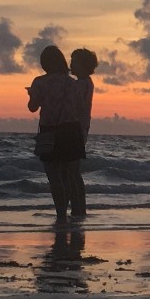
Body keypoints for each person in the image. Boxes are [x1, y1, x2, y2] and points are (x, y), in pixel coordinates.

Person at [26, 44, 82, 222]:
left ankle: (60, 215)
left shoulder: (39, 82)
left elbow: (32, 108)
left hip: (50, 130)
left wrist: (31, 95)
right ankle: (65, 215)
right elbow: (79, 108)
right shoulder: (73, 83)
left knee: (54, 177)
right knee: (67, 176)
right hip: (72, 131)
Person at [67, 47, 97, 219]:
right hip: (79, 128)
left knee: (73, 171)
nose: (71, 64)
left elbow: (72, 101)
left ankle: (78, 208)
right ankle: (78, 208)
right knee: (73, 171)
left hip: (76, 129)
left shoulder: (82, 84)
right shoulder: (84, 83)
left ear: (84, 65)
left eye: (74, 61)